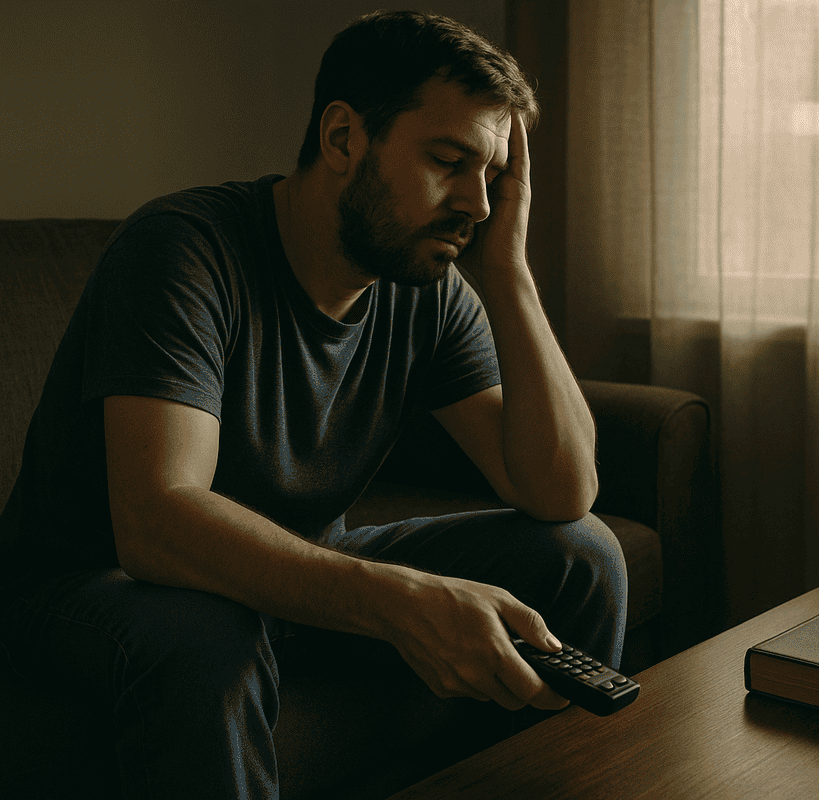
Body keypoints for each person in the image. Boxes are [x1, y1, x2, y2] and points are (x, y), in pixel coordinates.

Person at [0, 10, 627, 798]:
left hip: (296, 566)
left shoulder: (426, 286)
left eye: (493, 176)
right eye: (447, 161)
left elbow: (559, 491)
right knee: (206, 633)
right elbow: (156, 521)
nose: (476, 203)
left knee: (582, 554)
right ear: (343, 140)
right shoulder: (182, 250)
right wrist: (398, 601)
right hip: (87, 590)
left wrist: (511, 275)